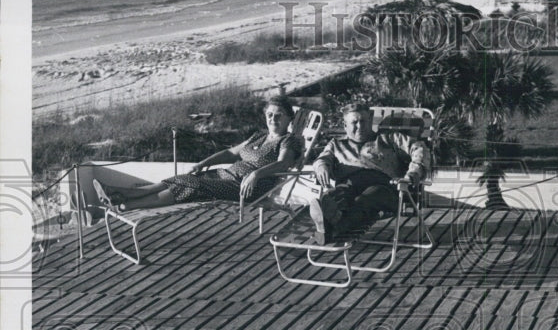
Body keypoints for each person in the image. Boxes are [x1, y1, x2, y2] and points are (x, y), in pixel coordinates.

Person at [92, 96, 303, 211]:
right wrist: (204, 162)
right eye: (269, 114)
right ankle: (118, 194)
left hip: (248, 188)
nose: (273, 119)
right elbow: (230, 153)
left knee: (194, 186)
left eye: (278, 115)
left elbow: (283, 164)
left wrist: (256, 174)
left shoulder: (288, 140)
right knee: (181, 179)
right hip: (226, 176)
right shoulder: (259, 135)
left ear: (288, 119)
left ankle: (124, 204)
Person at [306, 101, 430, 244]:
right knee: (336, 196)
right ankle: (327, 219)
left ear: (371, 120)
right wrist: (322, 166)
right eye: (354, 123)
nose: (360, 126)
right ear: (345, 126)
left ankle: (332, 228)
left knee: (368, 198)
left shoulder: (387, 138)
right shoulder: (336, 144)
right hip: (349, 185)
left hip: (384, 187)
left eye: (363, 121)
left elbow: (420, 148)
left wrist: (413, 173)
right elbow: (322, 159)